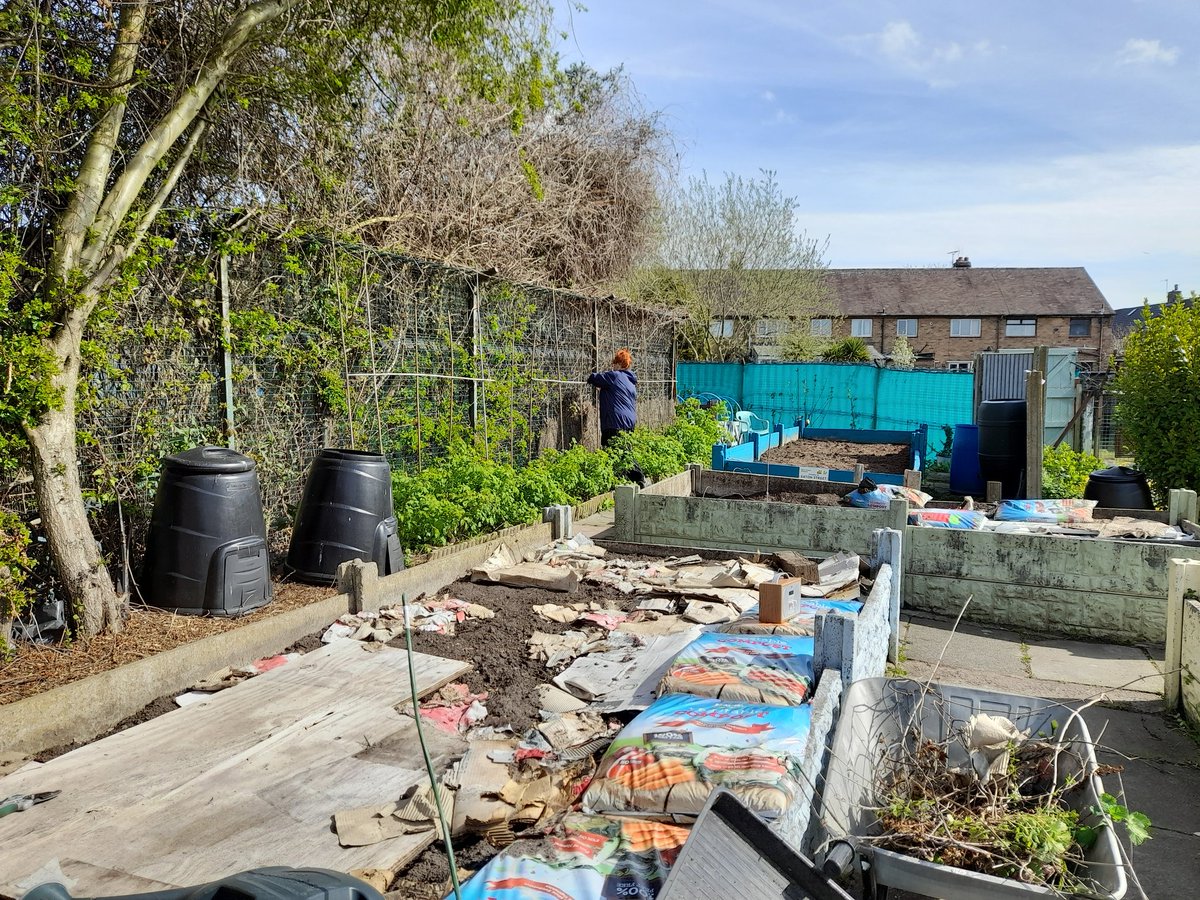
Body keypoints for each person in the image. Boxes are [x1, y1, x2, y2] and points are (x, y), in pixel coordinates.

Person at [588, 349, 638, 447]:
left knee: (611, 452)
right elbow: (617, 392)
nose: (613, 367)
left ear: (619, 364)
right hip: (630, 422)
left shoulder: (614, 376)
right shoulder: (630, 380)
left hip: (615, 423)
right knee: (626, 454)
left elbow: (594, 378)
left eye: (614, 363)